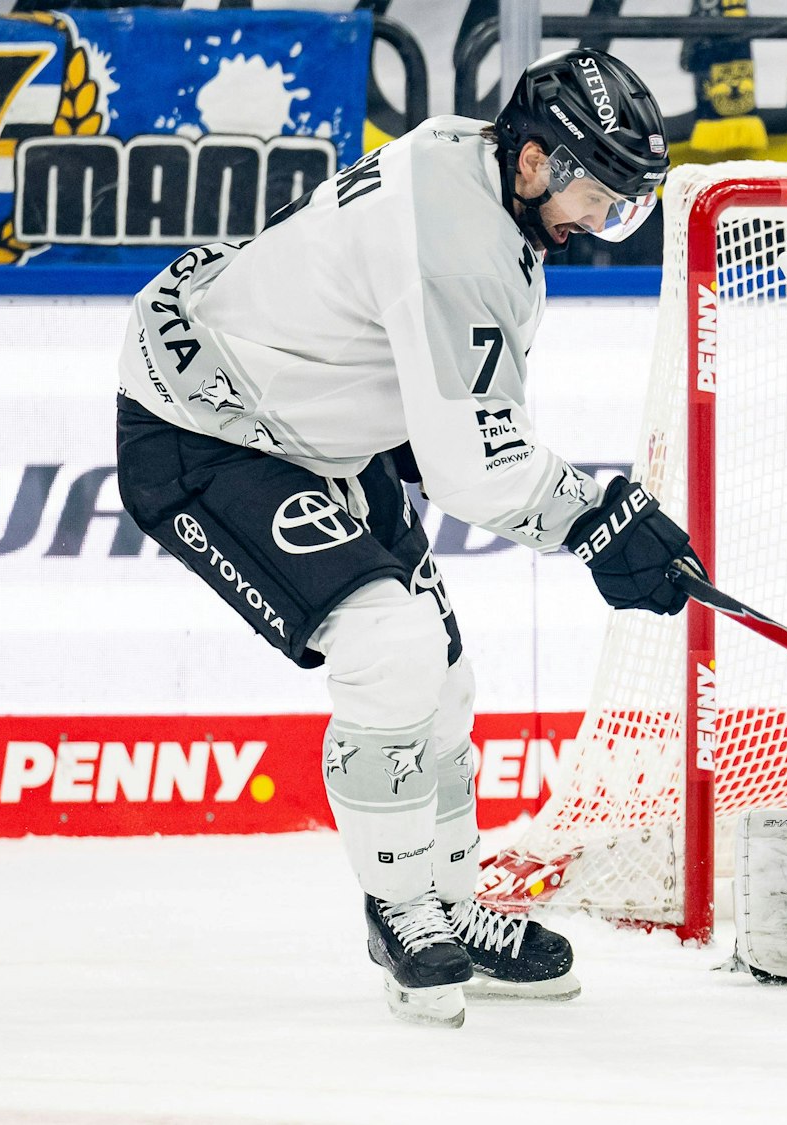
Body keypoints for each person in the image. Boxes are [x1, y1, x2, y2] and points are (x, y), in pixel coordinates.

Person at [113, 49, 703, 1028]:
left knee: (444, 672)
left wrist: (585, 513)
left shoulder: (469, 166)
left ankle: (454, 904)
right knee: (391, 650)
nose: (604, 223)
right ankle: (399, 907)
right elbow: (477, 469)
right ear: (533, 163)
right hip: (205, 428)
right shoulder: (461, 237)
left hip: (316, 418)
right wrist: (601, 521)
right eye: (602, 194)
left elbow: (446, 407)